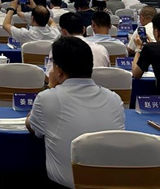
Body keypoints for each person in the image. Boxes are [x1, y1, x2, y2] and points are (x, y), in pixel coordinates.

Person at [26, 37, 124, 187]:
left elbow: (31, 125)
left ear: (58, 70)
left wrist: (51, 86)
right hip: (110, 184)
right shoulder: (115, 99)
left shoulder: (47, 98)